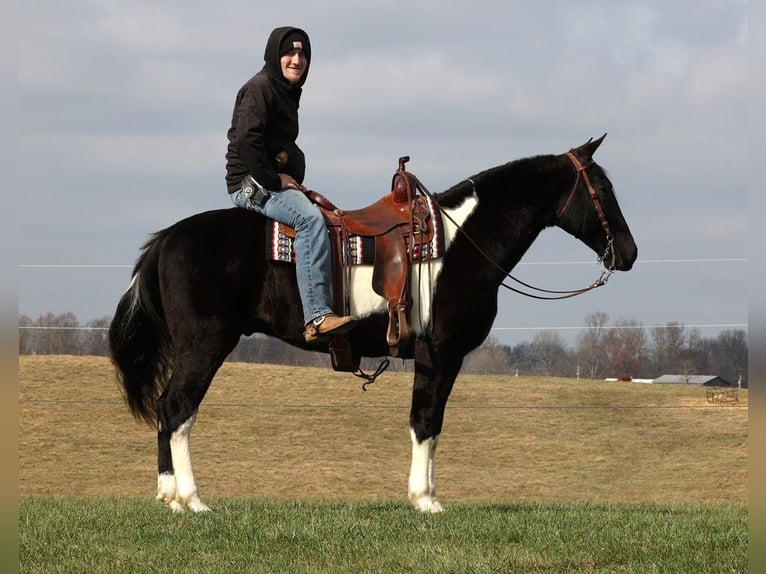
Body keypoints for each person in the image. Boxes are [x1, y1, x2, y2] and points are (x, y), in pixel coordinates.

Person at [226, 26, 356, 343]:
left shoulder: (284, 91)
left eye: (303, 54)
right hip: (249, 183)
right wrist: (275, 178)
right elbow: (247, 141)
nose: (297, 60)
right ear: (275, 55)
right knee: (309, 220)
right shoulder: (259, 88)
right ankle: (316, 316)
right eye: (290, 53)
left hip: (269, 179)